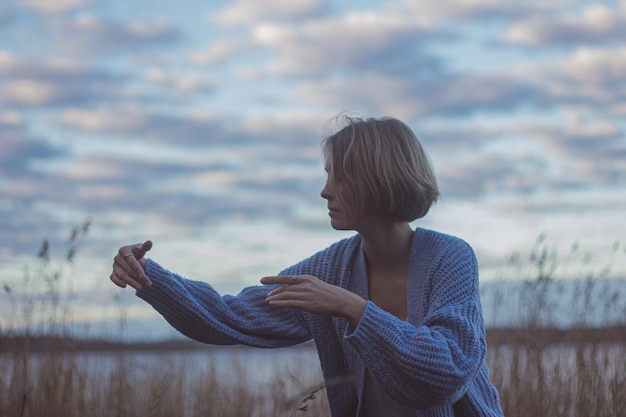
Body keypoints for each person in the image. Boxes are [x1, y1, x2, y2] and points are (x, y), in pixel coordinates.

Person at [110, 116, 504, 417]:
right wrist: (149, 277)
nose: (324, 191)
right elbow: (230, 316)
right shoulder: (332, 269)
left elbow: (446, 373)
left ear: (376, 179)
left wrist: (351, 308)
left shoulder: (449, 258)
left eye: (337, 176)